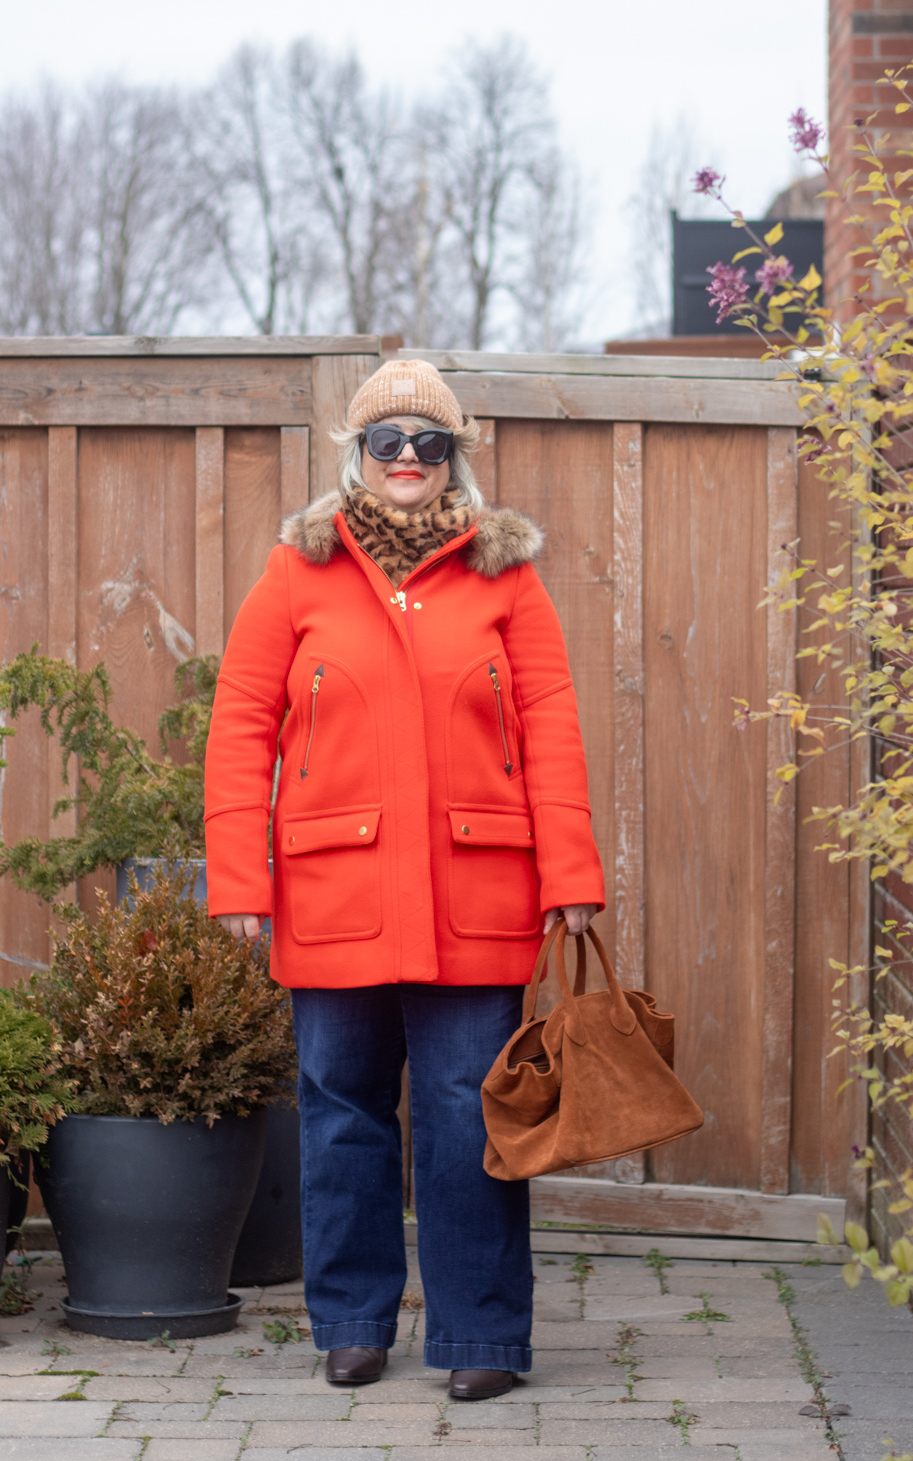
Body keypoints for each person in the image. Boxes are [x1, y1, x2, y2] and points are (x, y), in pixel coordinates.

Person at [204, 358, 604, 1400]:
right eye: (389, 443)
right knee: (341, 1110)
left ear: (454, 456)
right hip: (333, 892)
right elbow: (241, 728)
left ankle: (478, 1339)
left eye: (430, 444)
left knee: (469, 1115)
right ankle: (351, 1322)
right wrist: (239, 882)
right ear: (357, 454)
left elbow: (552, 730)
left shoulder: (503, 575)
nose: (409, 462)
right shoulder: (298, 572)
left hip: (477, 892)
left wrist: (571, 873)